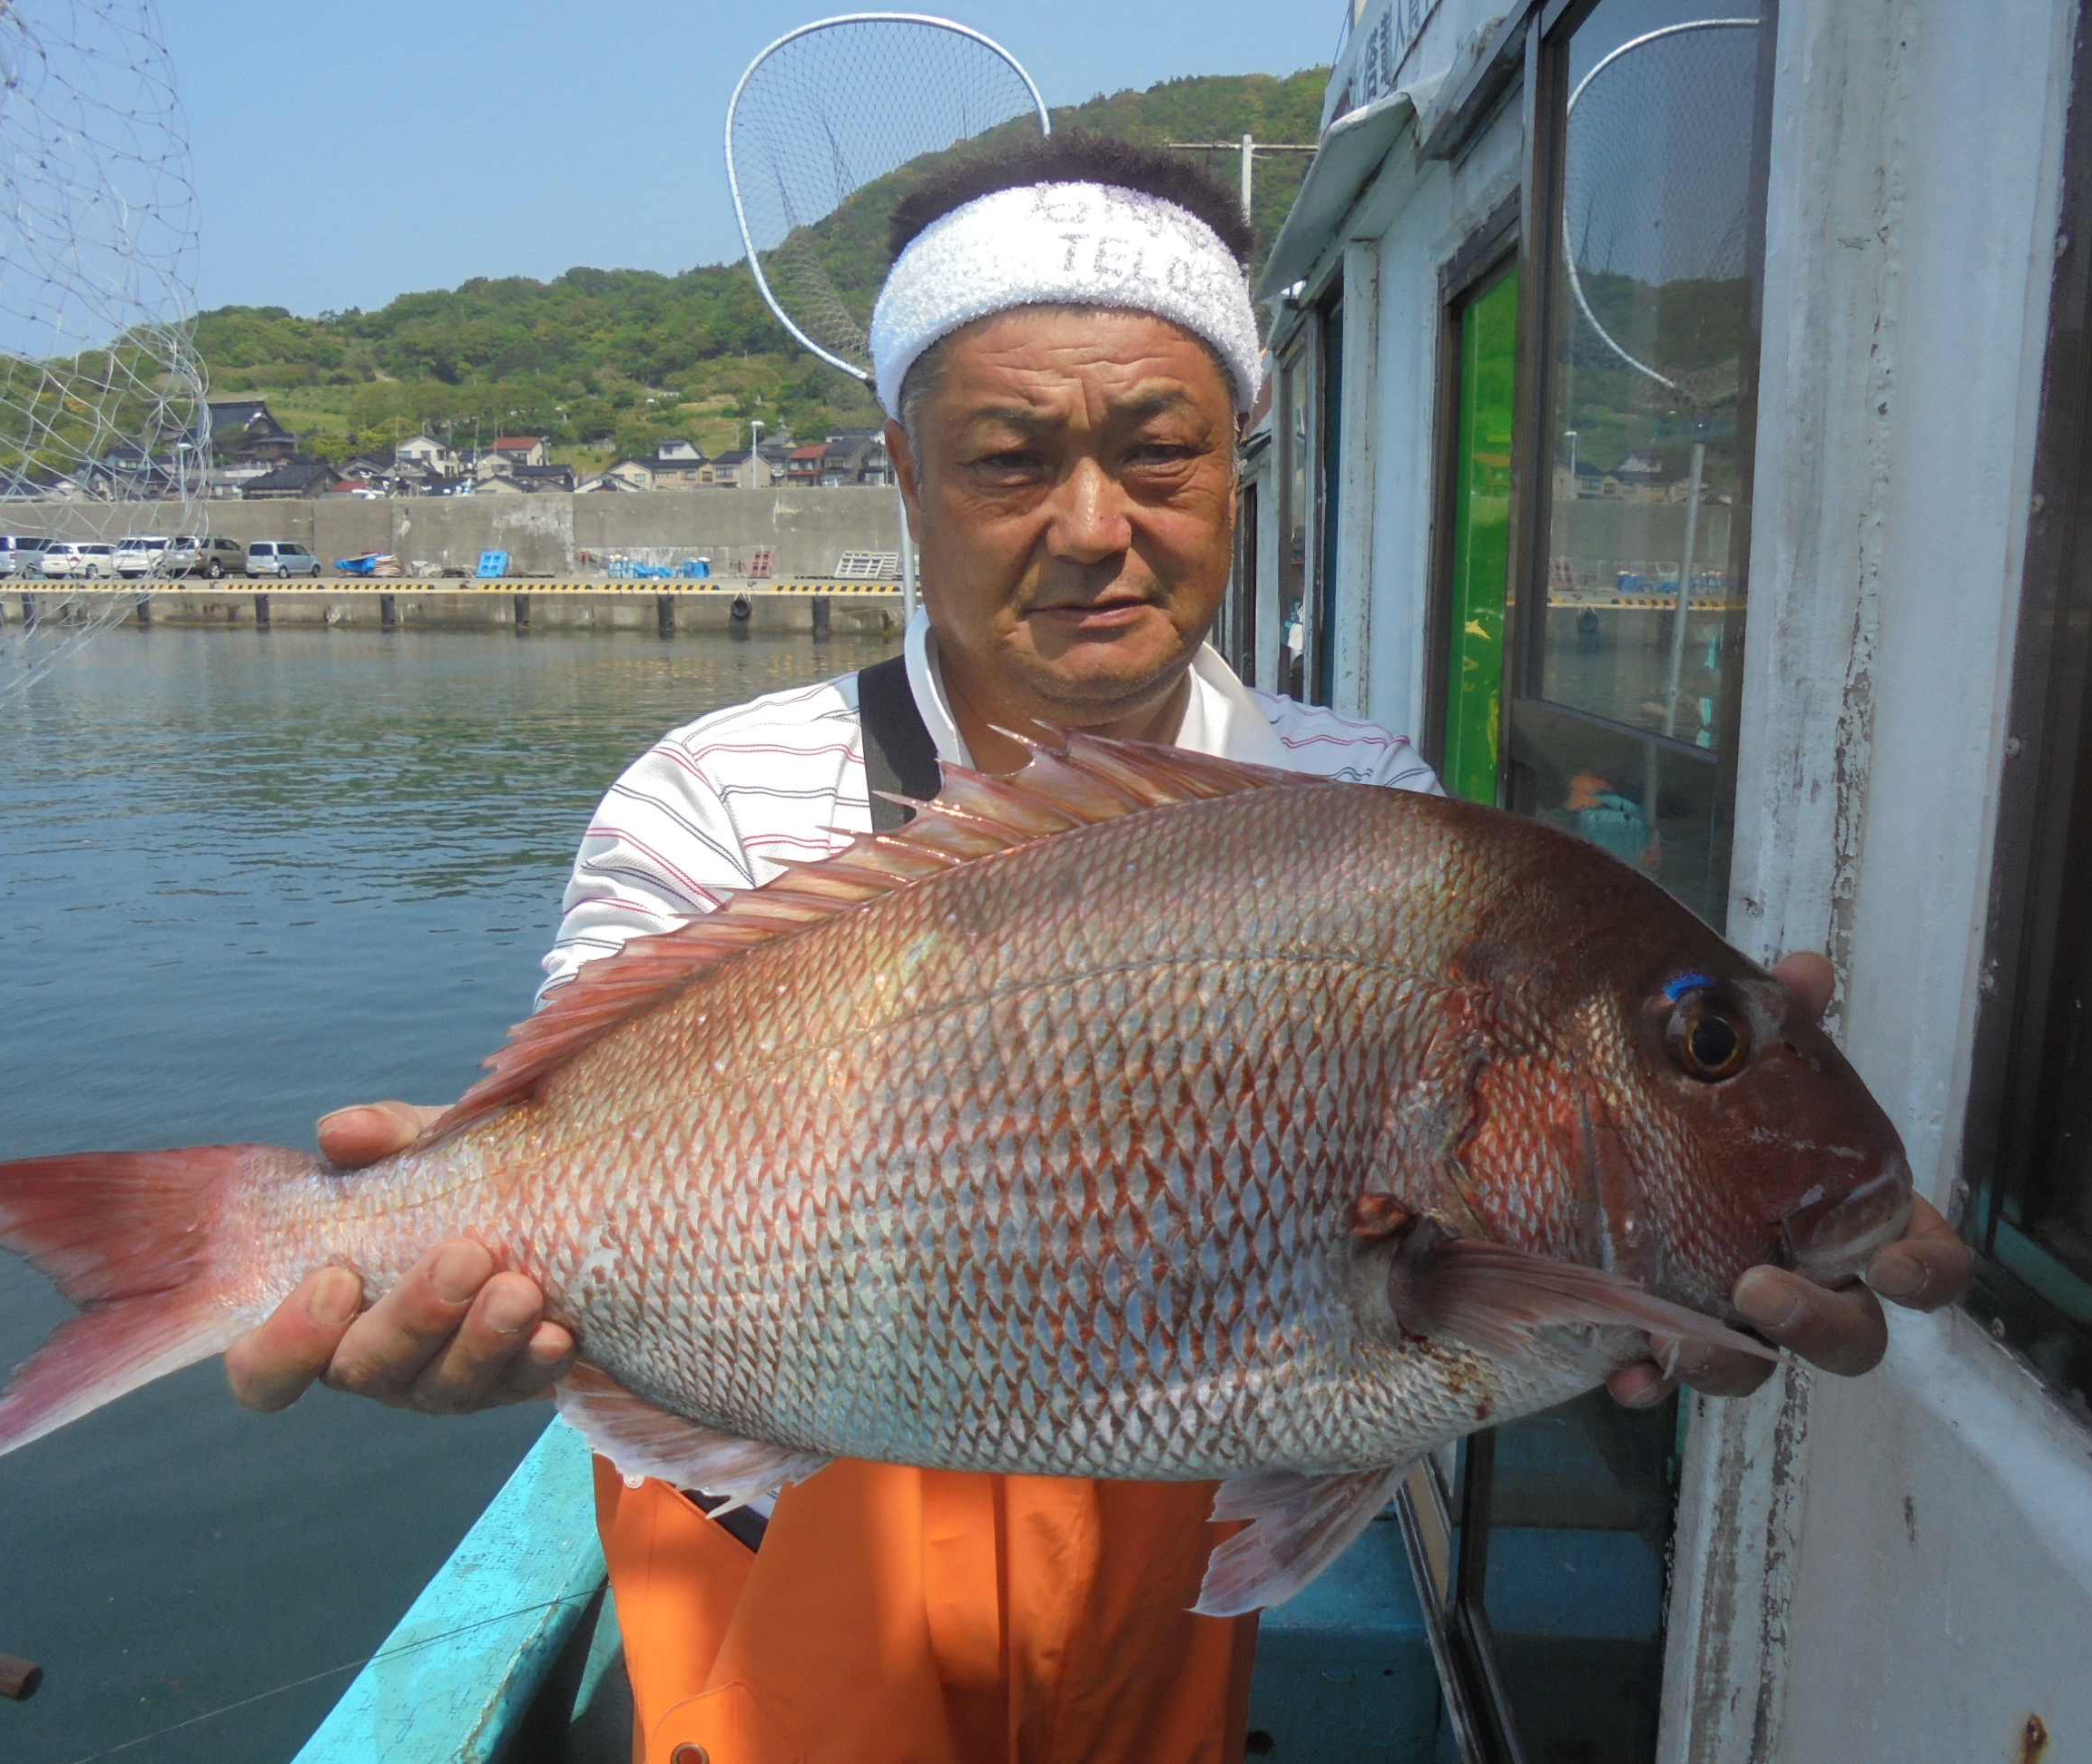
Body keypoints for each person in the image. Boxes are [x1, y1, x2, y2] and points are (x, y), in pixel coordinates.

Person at [221, 138, 1972, 1764]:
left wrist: (1676, 1247)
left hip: (1146, 1643)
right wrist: (460, 1255)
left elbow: (1435, 1300)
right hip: (775, 1590)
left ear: (1234, 462)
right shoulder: (711, 798)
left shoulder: (1365, 801)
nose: (1090, 523)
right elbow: (570, 1155)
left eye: (1158, 450)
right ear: (904, 472)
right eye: (1009, 458)